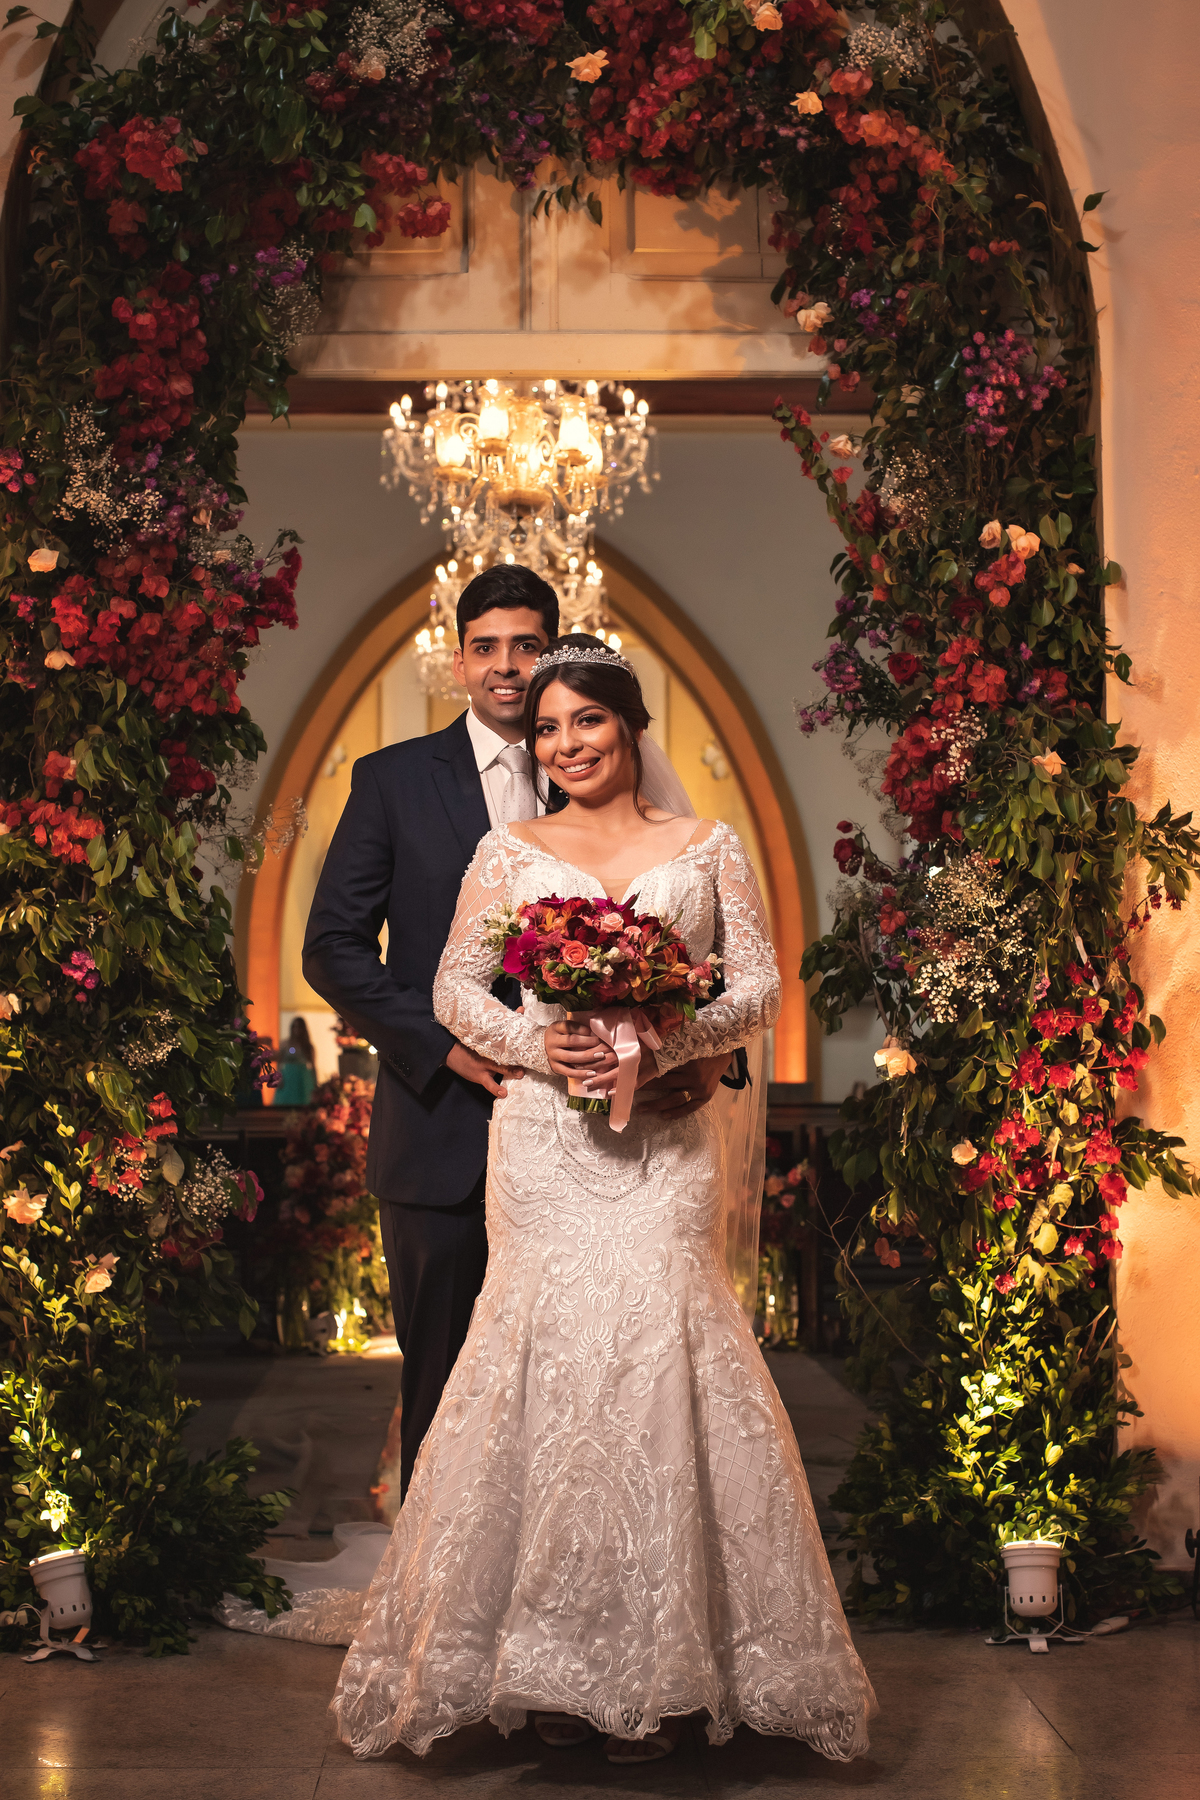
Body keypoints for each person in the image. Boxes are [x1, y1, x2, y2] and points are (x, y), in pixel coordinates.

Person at [330, 638, 876, 1765]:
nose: (566, 745)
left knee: (664, 1354)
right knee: (546, 1364)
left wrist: (669, 1036)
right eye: (546, 730)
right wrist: (552, 1042)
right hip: (545, 1147)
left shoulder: (706, 844)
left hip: (665, 1146)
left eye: (587, 722)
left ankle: (674, 1667)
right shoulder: (510, 849)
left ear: (631, 727)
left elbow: (762, 982)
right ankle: (538, 1666)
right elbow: (450, 989)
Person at [302, 570, 733, 1501]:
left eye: (527, 647)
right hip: (443, 1127)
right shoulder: (391, 782)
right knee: (450, 1388)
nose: (506, 668)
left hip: (617, 1135)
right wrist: (449, 1044)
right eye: (486, 647)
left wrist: (708, 1055)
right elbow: (331, 947)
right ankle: (436, 1609)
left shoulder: (613, 777)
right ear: (458, 660)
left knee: (608, 1381)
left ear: (557, 658)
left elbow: (711, 953)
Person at [275, 1016, 317, 1107]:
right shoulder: (285, 1044)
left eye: (299, 1027)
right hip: (288, 1076)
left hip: (303, 1077)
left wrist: (315, 1083)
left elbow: (313, 1066)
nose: (296, 1029)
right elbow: (279, 1062)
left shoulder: (308, 1047)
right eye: (294, 1027)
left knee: (303, 1102)